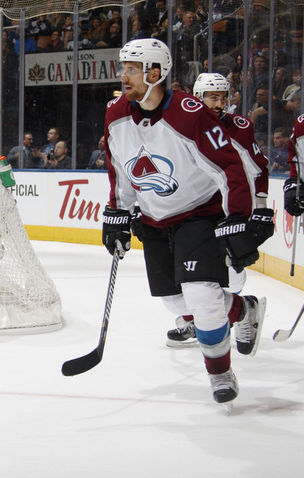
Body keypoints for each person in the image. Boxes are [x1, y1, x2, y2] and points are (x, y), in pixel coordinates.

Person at [103, 40, 266, 407]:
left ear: (155, 73)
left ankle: (220, 373)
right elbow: (119, 170)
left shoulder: (190, 113)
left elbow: (230, 167)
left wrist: (239, 218)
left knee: (203, 297)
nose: (123, 75)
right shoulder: (115, 113)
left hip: (198, 214)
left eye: (131, 68)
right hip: (153, 218)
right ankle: (244, 309)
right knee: (175, 301)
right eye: (123, 68)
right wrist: (117, 212)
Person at [164, 72, 273, 347]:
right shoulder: (183, 123)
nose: (219, 103)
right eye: (213, 97)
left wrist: (259, 208)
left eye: (223, 97)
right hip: (192, 211)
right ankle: (195, 320)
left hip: (227, 211)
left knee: (230, 268)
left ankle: (239, 312)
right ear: (198, 98)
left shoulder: (239, 126)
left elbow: (258, 167)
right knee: (180, 280)